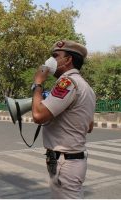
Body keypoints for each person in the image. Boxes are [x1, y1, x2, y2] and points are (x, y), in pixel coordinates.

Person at [31, 40, 96, 199]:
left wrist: (38, 83)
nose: (50, 61)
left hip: (65, 163)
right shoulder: (85, 86)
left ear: (68, 60)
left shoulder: (67, 82)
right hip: (72, 161)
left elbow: (38, 115)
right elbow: (88, 126)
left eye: (55, 56)